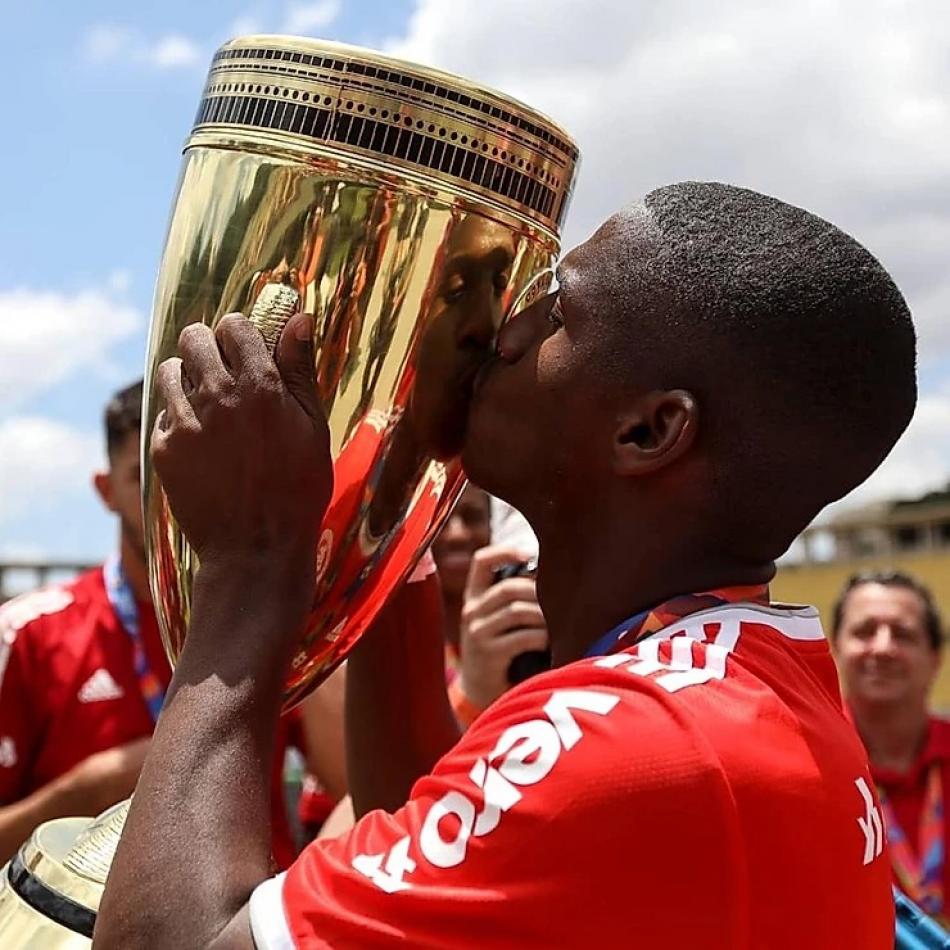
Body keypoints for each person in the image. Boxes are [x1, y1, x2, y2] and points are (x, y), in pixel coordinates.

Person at [95, 182, 914, 948]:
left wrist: (250, 560)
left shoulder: (643, 739)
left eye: (558, 312)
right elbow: (428, 839)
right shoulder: (745, 682)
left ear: (647, 432)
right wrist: (384, 492)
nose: (505, 332)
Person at [0, 382, 300, 869]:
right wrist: (87, 791)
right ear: (105, 491)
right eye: (146, 474)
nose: (171, 493)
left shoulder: (281, 617)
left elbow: (361, 793)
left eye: (195, 466)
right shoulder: (28, 633)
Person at [831, 571, 949, 920]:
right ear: (835, 649)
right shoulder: (803, 762)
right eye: (864, 631)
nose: (882, 648)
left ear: (935, 658)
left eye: (903, 634)